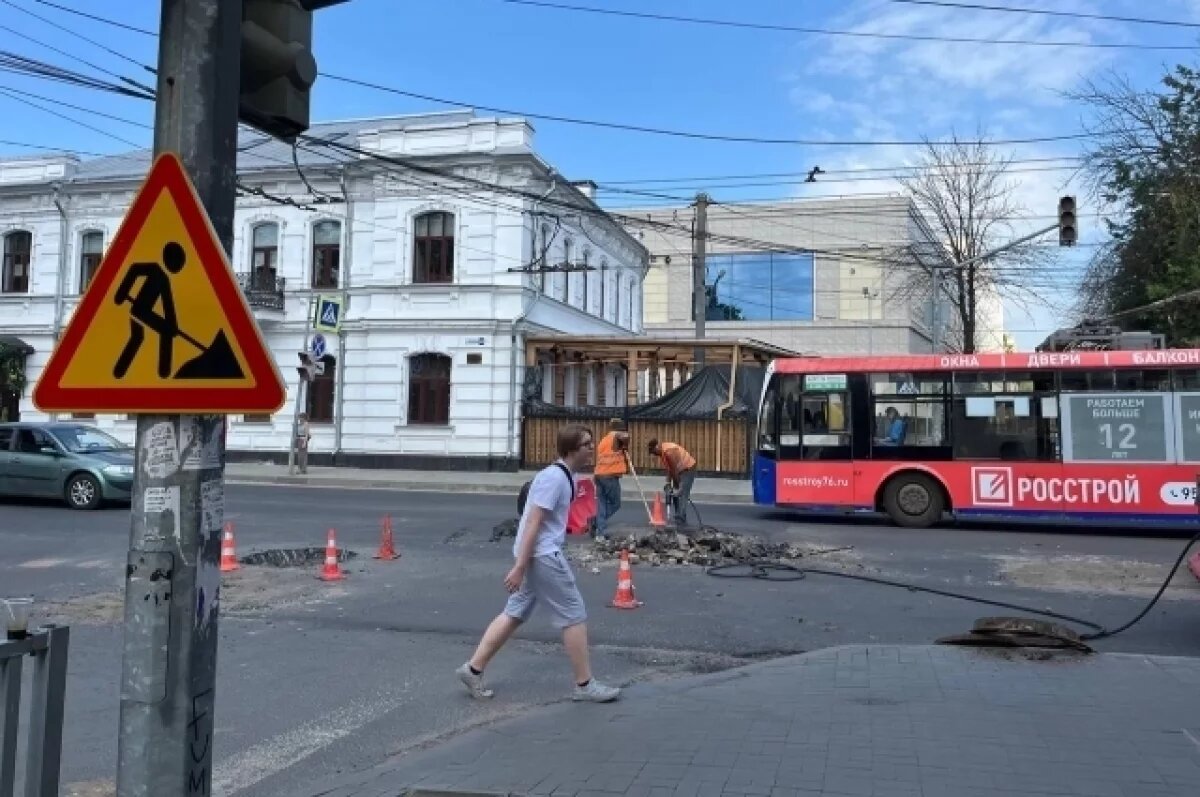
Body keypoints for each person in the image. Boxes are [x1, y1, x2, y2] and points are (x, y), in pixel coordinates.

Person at [457, 424, 620, 703]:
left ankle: (473, 669)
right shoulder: (554, 479)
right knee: (573, 614)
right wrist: (520, 567)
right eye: (586, 444)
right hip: (542, 556)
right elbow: (533, 522)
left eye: (591, 443)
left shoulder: (566, 476)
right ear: (571, 450)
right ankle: (584, 685)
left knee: (514, 613)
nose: (592, 448)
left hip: (535, 554)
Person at [113, 242, 186, 379]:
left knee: (157, 333)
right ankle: (120, 372)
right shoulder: (154, 269)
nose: (179, 267)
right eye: (178, 262)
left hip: (144, 312)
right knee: (139, 338)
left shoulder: (164, 279)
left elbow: (168, 305)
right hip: (139, 310)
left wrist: (173, 326)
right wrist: (122, 293)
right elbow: (134, 269)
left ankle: (163, 372)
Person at [592, 418, 630, 540]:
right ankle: (596, 522)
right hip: (609, 477)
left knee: (602, 503)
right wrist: (624, 446)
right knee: (615, 503)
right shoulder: (616, 435)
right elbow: (625, 437)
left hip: (599, 475)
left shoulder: (604, 440)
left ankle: (600, 530)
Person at [648, 438, 697, 526]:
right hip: (679, 470)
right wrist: (668, 482)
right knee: (674, 493)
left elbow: (674, 471)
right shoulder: (663, 452)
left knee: (682, 493)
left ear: (656, 448)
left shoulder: (669, 452)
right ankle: (679, 514)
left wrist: (679, 486)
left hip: (688, 468)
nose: (654, 455)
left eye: (653, 452)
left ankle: (680, 518)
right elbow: (670, 468)